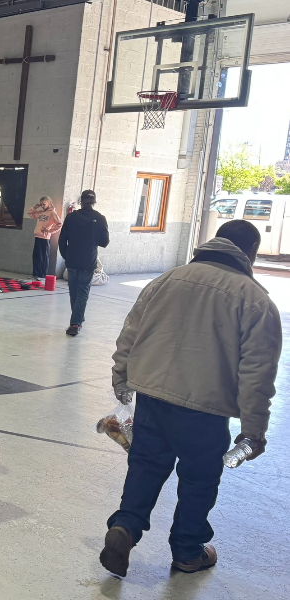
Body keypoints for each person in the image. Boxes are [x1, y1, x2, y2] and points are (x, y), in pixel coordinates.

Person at [100, 221, 281, 577]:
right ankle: (187, 551)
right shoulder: (256, 300)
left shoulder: (166, 280)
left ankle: (125, 526)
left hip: (153, 397)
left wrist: (121, 380)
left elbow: (130, 334)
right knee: (199, 479)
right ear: (250, 253)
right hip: (206, 411)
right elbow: (257, 374)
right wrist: (253, 430)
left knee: (146, 467)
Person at [58, 189, 109, 336]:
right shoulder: (100, 218)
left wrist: (66, 256)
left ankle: (77, 318)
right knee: (82, 292)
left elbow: (62, 239)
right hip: (88, 260)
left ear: (81, 201)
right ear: (94, 202)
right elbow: (104, 242)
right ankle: (76, 323)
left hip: (72, 259)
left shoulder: (71, 217)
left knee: (74, 291)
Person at [27, 196, 63, 281]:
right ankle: (35, 274)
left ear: (49, 203)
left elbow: (59, 224)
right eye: (41, 204)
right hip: (37, 236)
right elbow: (30, 213)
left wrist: (49, 230)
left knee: (43, 257)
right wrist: (35, 207)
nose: (42, 206)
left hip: (45, 238)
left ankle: (42, 275)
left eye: (44, 204)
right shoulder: (41, 212)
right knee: (36, 256)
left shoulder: (52, 213)